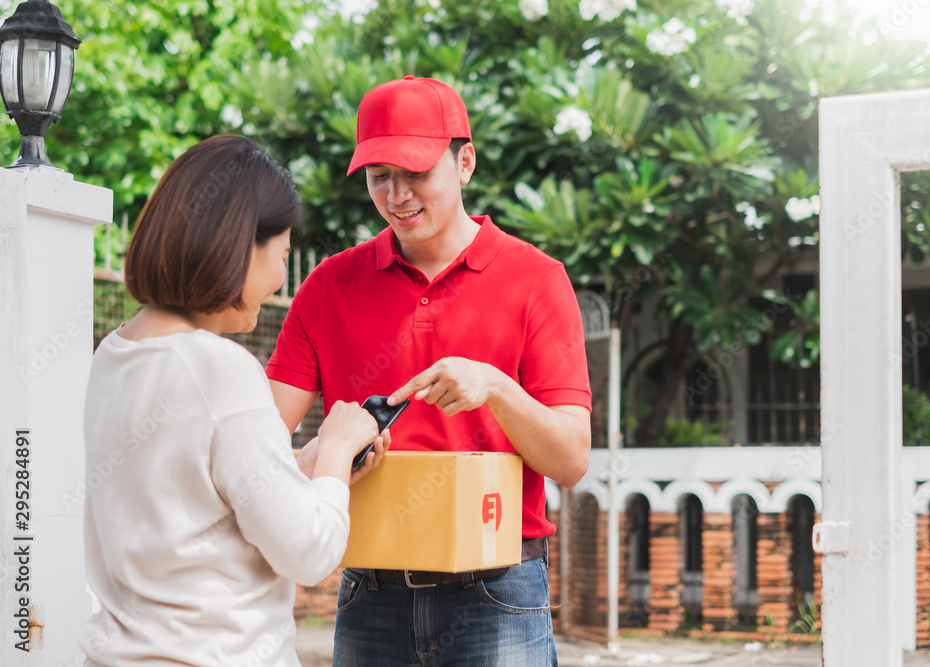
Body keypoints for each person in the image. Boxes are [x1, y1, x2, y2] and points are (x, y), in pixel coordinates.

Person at [265, 76, 592, 666]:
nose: (397, 195)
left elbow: (571, 460)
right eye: (379, 175)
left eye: (415, 171)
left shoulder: (537, 280)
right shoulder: (329, 286)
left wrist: (495, 387)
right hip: (371, 589)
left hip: (498, 589)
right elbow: (256, 444)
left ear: (464, 162)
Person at [80, 135, 389, 666]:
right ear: (242, 244)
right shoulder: (219, 367)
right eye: (284, 256)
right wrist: (338, 448)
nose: (277, 281)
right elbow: (308, 551)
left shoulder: (113, 356)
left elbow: (198, 507)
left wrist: (313, 470)